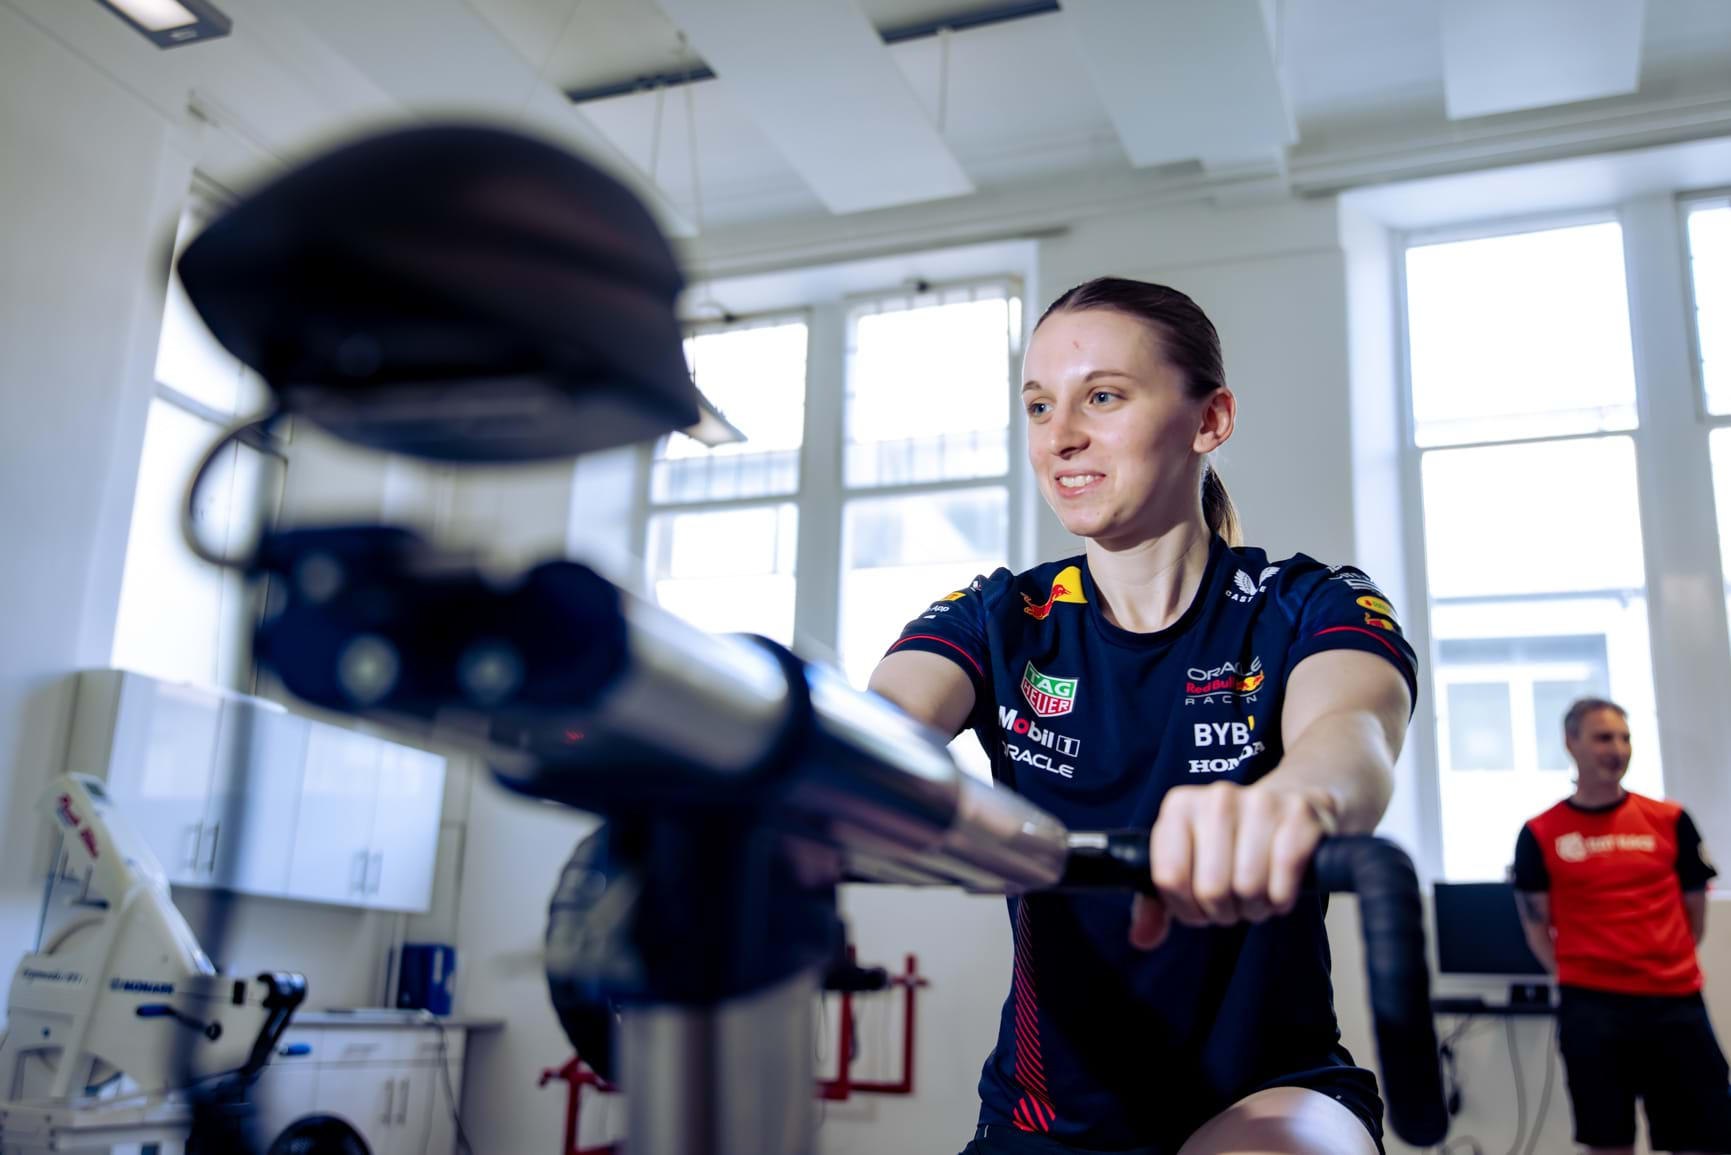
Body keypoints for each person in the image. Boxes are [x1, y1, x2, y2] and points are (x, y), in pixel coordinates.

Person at [866, 277, 1417, 1155]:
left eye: (1103, 397)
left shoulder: (1303, 604)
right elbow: (879, 731)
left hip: (1268, 1091)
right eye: (1040, 406)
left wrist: (1296, 799)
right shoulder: (996, 617)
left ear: (1210, 420)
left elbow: (1352, 732)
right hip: (1044, 1120)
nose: (1061, 438)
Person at [1511, 698, 1731, 1155]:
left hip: (1675, 1005)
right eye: (1603, 737)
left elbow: (1694, 911)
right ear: (1571, 743)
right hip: (1592, 1011)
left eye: (1625, 738)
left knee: (1705, 1138)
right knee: (1608, 1141)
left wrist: (1661, 960)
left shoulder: (1670, 819)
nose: (1618, 749)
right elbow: (1535, 924)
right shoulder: (1540, 831)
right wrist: (1576, 973)